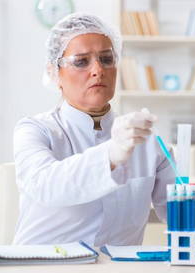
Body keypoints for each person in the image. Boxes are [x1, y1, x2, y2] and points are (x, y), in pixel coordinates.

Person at [13, 13, 175, 246]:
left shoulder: (146, 140)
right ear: (54, 73)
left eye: (107, 59)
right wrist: (111, 154)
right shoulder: (35, 130)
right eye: (81, 61)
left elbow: (181, 214)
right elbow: (44, 184)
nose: (98, 70)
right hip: (45, 271)